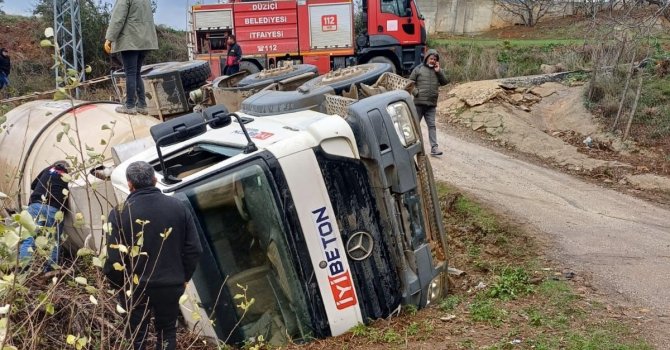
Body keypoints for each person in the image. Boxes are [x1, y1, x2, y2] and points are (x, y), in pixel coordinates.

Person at [103, 161, 202, 350]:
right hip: (170, 284)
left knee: (136, 337)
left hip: (135, 287)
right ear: (155, 180)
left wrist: (122, 287)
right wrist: (182, 278)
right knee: (166, 332)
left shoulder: (119, 213)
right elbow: (194, 249)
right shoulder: (178, 206)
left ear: (129, 184)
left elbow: (114, 259)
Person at [104, 0, 158, 116]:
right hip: (145, 40)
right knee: (136, 73)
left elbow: (118, 18)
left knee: (131, 73)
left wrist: (109, 38)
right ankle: (142, 105)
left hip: (131, 40)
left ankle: (129, 105)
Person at [19, 161, 70, 267]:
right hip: (54, 209)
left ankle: (23, 271)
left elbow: (33, 185)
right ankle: (50, 271)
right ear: (67, 169)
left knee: (29, 238)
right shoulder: (67, 176)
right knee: (54, 242)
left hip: (35, 205)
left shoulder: (48, 169)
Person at [409, 49, 448, 156]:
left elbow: (445, 82)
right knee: (415, 126)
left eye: (435, 59)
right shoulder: (418, 69)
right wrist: (416, 93)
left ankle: (434, 148)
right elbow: (409, 83)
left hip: (431, 105)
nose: (433, 61)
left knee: (432, 126)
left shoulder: (438, 70)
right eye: (431, 58)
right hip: (418, 104)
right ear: (426, 58)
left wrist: (439, 71)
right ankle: (412, 148)